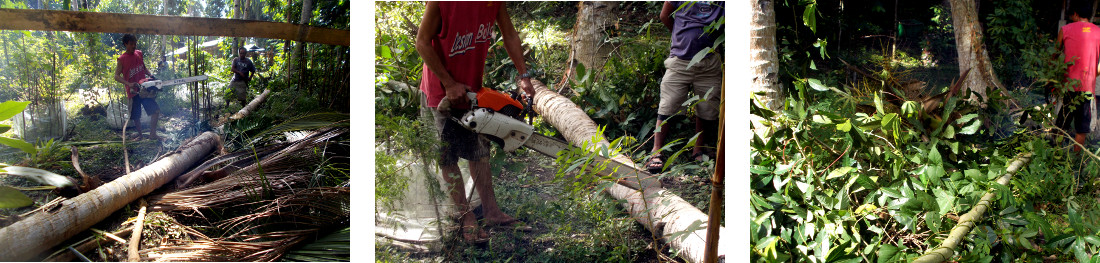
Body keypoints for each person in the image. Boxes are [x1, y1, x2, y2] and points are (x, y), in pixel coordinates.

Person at [415, 1, 535, 243]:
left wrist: (524, 76)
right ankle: (465, 216)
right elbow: (421, 42)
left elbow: (509, 34)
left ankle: (491, 211)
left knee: (479, 152)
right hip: (440, 93)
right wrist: (448, 83)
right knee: (447, 157)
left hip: (473, 91)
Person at [645, 1, 724, 173]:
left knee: (707, 107)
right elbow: (664, 15)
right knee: (668, 105)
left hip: (709, 62)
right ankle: (656, 151)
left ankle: (698, 148)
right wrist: (679, 38)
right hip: (680, 59)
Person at [1058, 2, 1100, 152]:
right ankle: (1075, 162)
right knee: (1081, 128)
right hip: (1087, 87)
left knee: (1062, 122)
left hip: (1068, 84)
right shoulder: (1098, 32)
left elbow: (1055, 55)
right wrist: (1094, 73)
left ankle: (1054, 154)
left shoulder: (1065, 29)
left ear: (1075, 13)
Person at [113, 34, 160, 141]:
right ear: (126, 44)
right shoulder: (122, 59)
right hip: (133, 91)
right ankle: (140, 135)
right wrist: (128, 84)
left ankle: (153, 134)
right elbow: (116, 76)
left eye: (135, 43)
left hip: (144, 89)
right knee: (136, 116)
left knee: (155, 111)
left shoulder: (139, 53)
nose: (133, 46)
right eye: (131, 44)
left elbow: (143, 67)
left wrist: (149, 74)